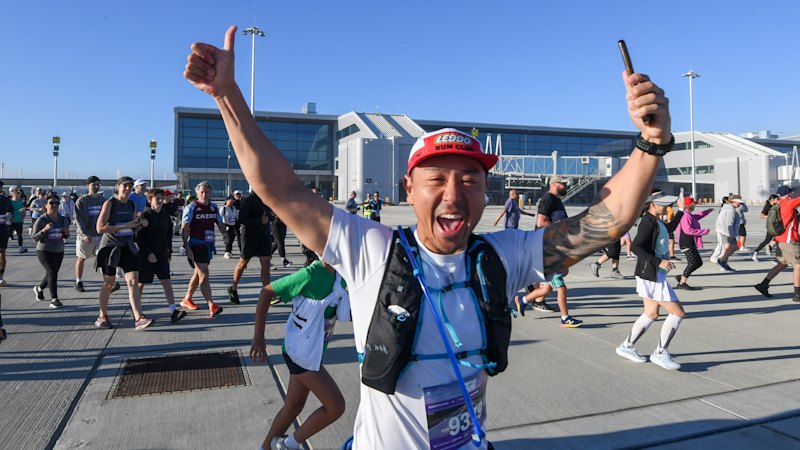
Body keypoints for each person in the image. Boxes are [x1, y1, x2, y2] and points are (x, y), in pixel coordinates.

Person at [184, 26, 670, 448]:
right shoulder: (370, 249)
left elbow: (604, 223)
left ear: (486, 191)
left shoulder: (504, 256)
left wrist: (650, 143)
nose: (454, 195)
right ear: (408, 189)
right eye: (437, 180)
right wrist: (227, 95)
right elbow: (278, 187)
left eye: (470, 180)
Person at [250, 261, 349, 450]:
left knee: (294, 406)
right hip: (301, 354)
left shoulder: (343, 273)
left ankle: (265, 448)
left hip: (311, 353)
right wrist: (258, 337)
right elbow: (266, 292)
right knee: (335, 406)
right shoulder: (311, 274)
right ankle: (288, 445)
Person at [616, 194, 686, 370]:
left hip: (650, 274)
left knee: (651, 314)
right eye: (664, 205)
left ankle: (626, 346)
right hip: (651, 274)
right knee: (677, 313)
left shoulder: (656, 220)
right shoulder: (647, 222)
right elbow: (637, 247)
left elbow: (670, 228)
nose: (667, 208)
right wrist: (659, 261)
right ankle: (660, 353)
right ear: (653, 205)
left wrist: (681, 210)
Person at [94, 176, 153, 331]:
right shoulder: (110, 203)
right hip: (110, 247)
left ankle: (138, 318)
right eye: (124, 186)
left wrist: (140, 224)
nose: (127, 189)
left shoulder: (131, 204)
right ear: (117, 187)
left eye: (130, 186)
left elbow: (132, 227)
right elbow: (99, 228)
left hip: (127, 246)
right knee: (109, 283)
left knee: (133, 280)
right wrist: (123, 226)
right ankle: (102, 315)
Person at [136, 189, 186, 323]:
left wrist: (169, 251)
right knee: (141, 284)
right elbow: (139, 238)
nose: (160, 201)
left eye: (161, 198)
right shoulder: (145, 216)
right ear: (150, 199)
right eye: (157, 198)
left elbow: (168, 235)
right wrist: (148, 253)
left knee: (167, 282)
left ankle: (173, 310)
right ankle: (137, 311)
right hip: (146, 256)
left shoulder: (165, 216)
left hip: (162, 254)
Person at [179, 181, 225, 317]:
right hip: (195, 244)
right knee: (204, 272)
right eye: (202, 192)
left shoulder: (214, 207)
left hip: (208, 246)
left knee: (197, 273)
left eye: (207, 192)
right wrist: (186, 246)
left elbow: (220, 223)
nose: (204, 194)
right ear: (197, 193)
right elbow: (184, 228)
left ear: (211, 193)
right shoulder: (192, 207)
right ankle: (212, 304)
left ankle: (187, 299)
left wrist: (226, 235)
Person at [527, 175, 570, 313]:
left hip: (552, 244)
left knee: (561, 272)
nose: (566, 186)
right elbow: (541, 222)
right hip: (546, 245)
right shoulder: (548, 199)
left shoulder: (555, 200)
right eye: (563, 184)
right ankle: (535, 293)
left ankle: (535, 292)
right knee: (558, 275)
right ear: (555, 184)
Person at [754, 186, 800, 302]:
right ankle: (797, 295)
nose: (793, 193)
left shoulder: (777, 204)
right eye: (791, 192)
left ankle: (763, 284)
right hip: (789, 241)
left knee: (782, 263)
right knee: (798, 266)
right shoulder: (788, 203)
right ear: (789, 194)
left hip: (779, 239)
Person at [228, 191, 272, 305]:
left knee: (266, 263)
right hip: (249, 235)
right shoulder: (249, 200)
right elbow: (242, 219)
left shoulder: (268, 198)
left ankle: (268, 294)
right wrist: (259, 221)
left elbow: (269, 215)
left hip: (264, 234)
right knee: (243, 263)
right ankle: (233, 288)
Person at [31, 193, 69, 309]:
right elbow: (34, 237)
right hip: (44, 250)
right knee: (52, 271)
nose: (54, 205)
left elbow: (66, 236)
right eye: (51, 203)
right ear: (45, 206)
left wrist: (66, 233)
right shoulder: (42, 220)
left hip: (58, 249)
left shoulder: (63, 219)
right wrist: (45, 230)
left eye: (57, 203)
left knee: (51, 273)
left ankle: (39, 288)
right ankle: (54, 299)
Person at [74, 176, 107, 292]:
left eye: (98, 184)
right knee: (81, 258)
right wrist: (84, 234)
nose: (96, 187)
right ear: (88, 185)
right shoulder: (82, 200)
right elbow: (78, 219)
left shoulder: (103, 200)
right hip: (86, 235)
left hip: (99, 235)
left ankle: (107, 282)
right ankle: (79, 281)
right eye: (94, 184)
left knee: (103, 258)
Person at [675, 197, 711, 290]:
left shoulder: (688, 214)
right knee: (693, 263)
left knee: (698, 262)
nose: (694, 205)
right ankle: (682, 283)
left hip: (690, 242)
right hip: (686, 242)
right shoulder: (685, 215)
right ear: (687, 205)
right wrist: (703, 231)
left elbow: (697, 216)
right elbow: (688, 230)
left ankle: (682, 277)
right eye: (693, 204)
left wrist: (707, 211)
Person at [710, 196, 738, 271]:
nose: (740, 203)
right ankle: (721, 260)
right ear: (734, 202)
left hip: (723, 230)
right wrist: (731, 235)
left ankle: (724, 264)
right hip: (727, 232)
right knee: (733, 247)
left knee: (728, 248)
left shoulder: (726, 207)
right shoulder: (730, 210)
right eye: (739, 202)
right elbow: (729, 223)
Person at [752, 194, 779, 262]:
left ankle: (771, 249)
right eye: (777, 199)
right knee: (767, 241)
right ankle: (755, 253)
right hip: (771, 227)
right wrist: (770, 216)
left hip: (776, 226)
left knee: (778, 240)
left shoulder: (775, 206)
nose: (778, 200)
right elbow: (761, 215)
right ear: (773, 200)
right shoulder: (768, 206)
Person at [0, 181, 15, 286]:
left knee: (2, 252)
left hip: (3, 229)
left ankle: (1, 276)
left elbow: (11, 213)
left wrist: (8, 218)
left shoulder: (6, 200)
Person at [10, 187, 27, 254]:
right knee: (7, 234)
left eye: (19, 193)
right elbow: (9, 211)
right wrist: (17, 211)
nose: (19, 194)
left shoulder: (20, 202)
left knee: (19, 235)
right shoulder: (11, 202)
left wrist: (23, 215)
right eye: (17, 193)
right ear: (13, 194)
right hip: (12, 221)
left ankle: (21, 247)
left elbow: (23, 211)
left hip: (19, 221)